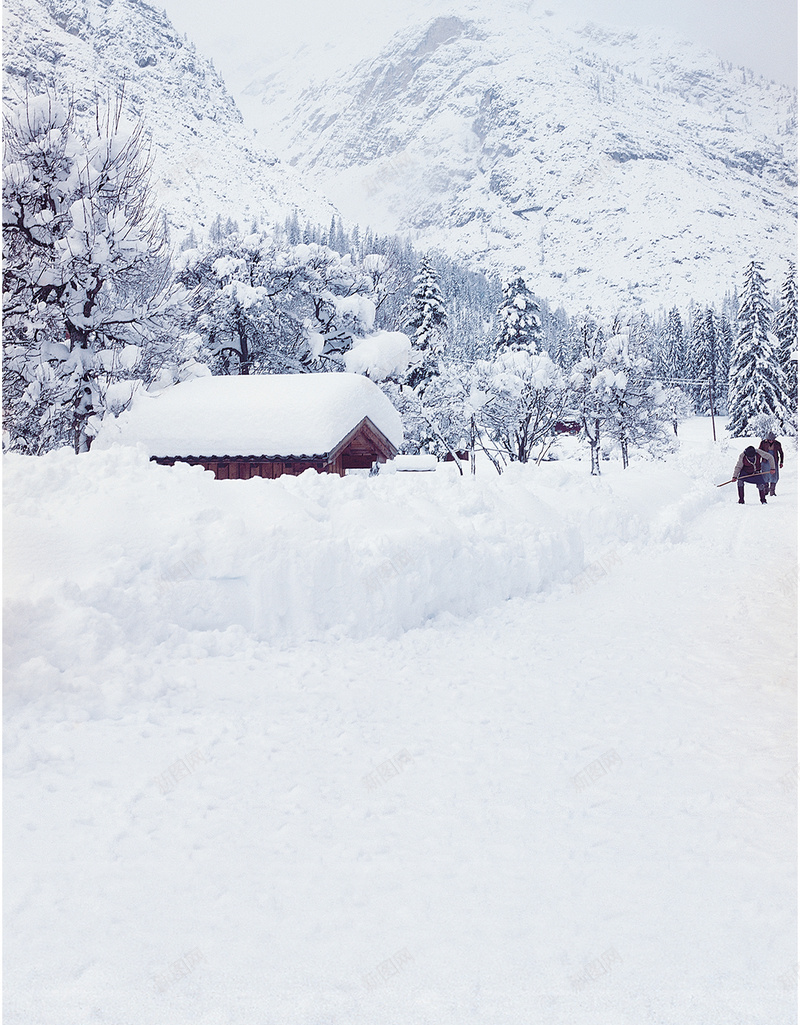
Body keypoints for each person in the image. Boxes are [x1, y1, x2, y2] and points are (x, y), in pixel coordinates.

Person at [759, 431, 784, 496]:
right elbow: (759, 452)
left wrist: (781, 462)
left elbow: (781, 453)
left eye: (772, 440)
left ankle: (772, 491)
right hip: (765, 461)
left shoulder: (777, 444)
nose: (771, 441)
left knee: (774, 476)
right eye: (769, 440)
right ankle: (765, 490)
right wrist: (758, 462)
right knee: (765, 475)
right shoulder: (763, 443)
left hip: (774, 461)